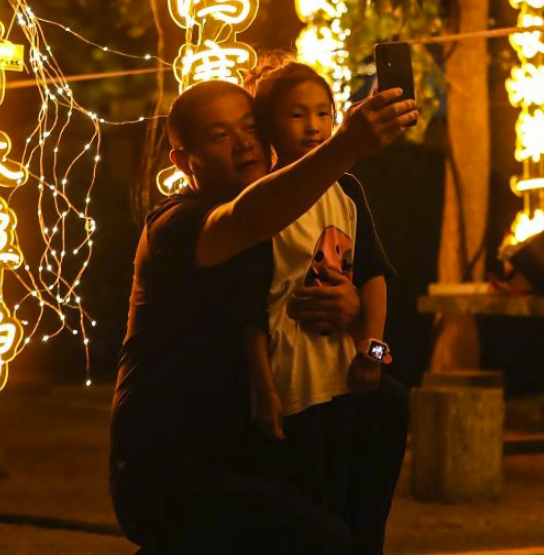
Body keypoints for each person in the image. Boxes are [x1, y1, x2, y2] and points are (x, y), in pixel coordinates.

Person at [110, 79, 417, 554]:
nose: (244, 143)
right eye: (219, 135)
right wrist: (347, 145)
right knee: (322, 541)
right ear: (182, 160)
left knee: (384, 404)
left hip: (255, 441)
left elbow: (359, 286)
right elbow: (245, 221)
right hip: (178, 463)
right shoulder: (176, 225)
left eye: (250, 127)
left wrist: (359, 321)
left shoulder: (319, 205)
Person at [245, 60, 409, 555]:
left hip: (345, 377)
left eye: (323, 112)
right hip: (292, 381)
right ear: (269, 125)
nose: (314, 126)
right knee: (313, 511)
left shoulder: (348, 191)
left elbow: (374, 275)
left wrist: (372, 350)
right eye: (296, 115)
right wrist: (261, 388)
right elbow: (246, 307)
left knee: (353, 505)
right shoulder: (259, 203)